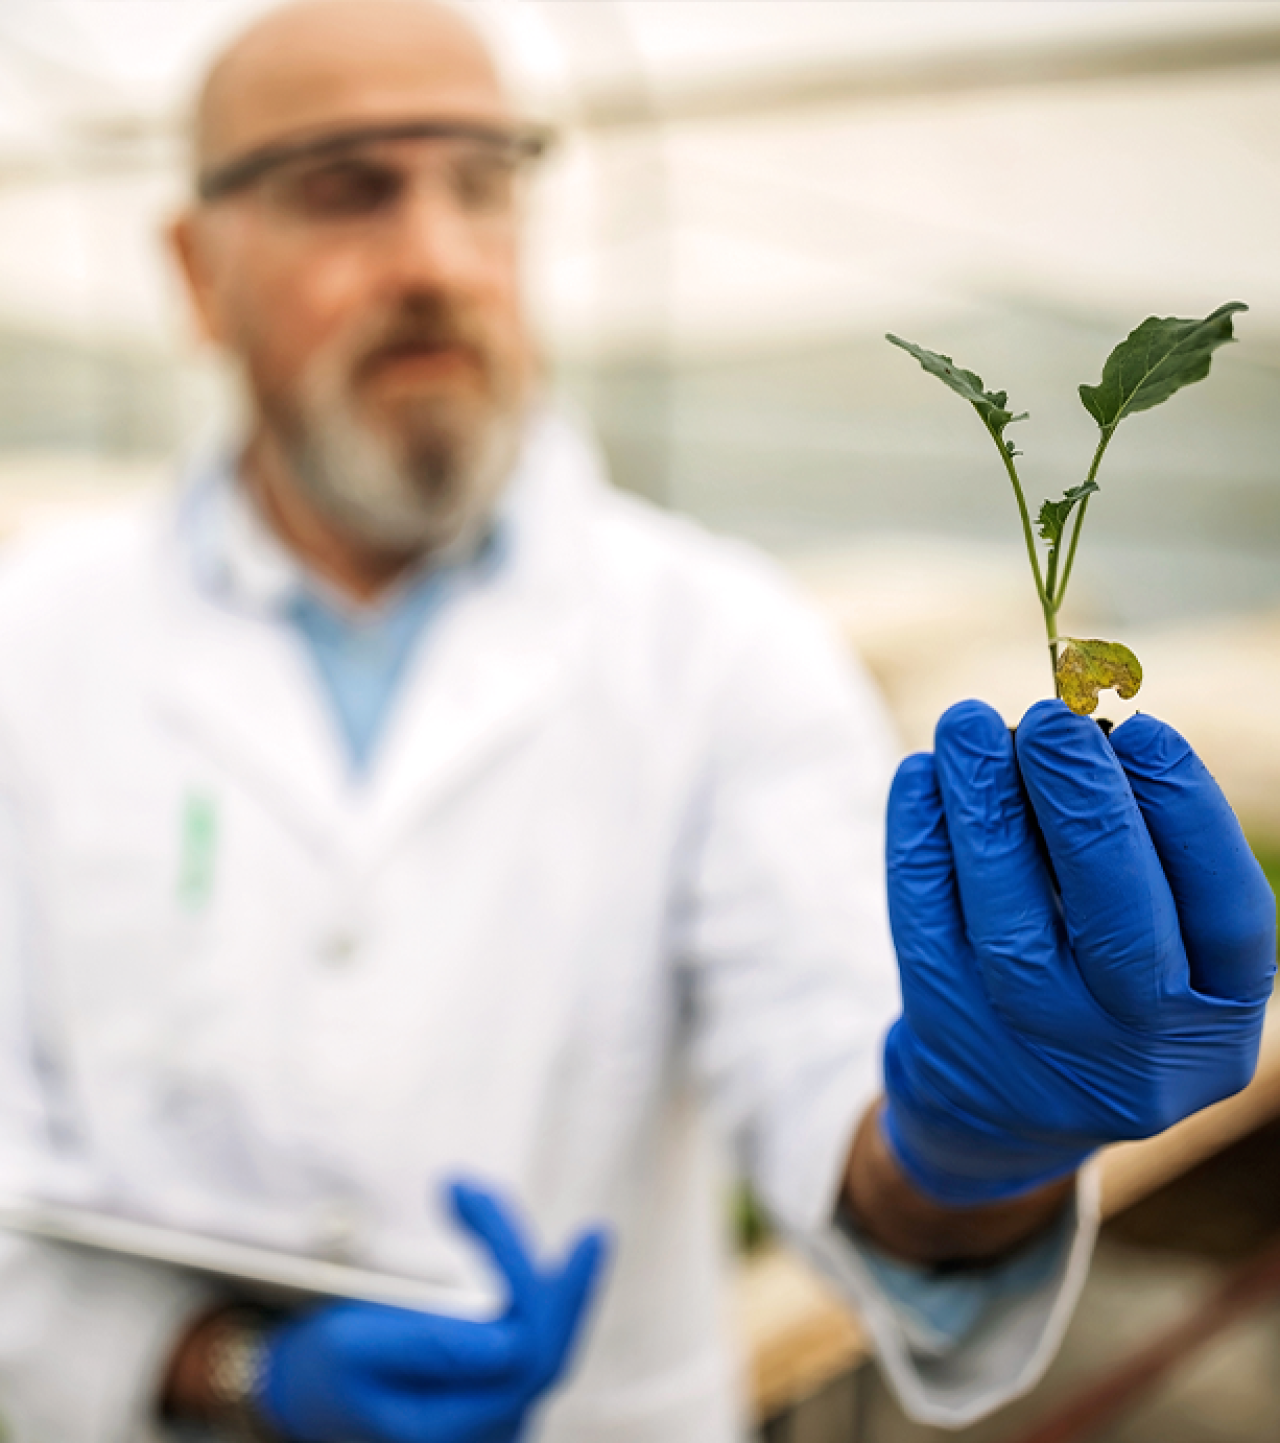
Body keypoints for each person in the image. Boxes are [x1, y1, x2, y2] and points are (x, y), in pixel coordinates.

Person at [0, 1, 1271, 1439]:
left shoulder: (722, 642)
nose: (435, 256)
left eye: (483, 183)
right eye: (345, 188)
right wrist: (222, 1367)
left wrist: (980, 1146)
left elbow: (826, 1066)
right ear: (198, 269)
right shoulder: (34, 646)